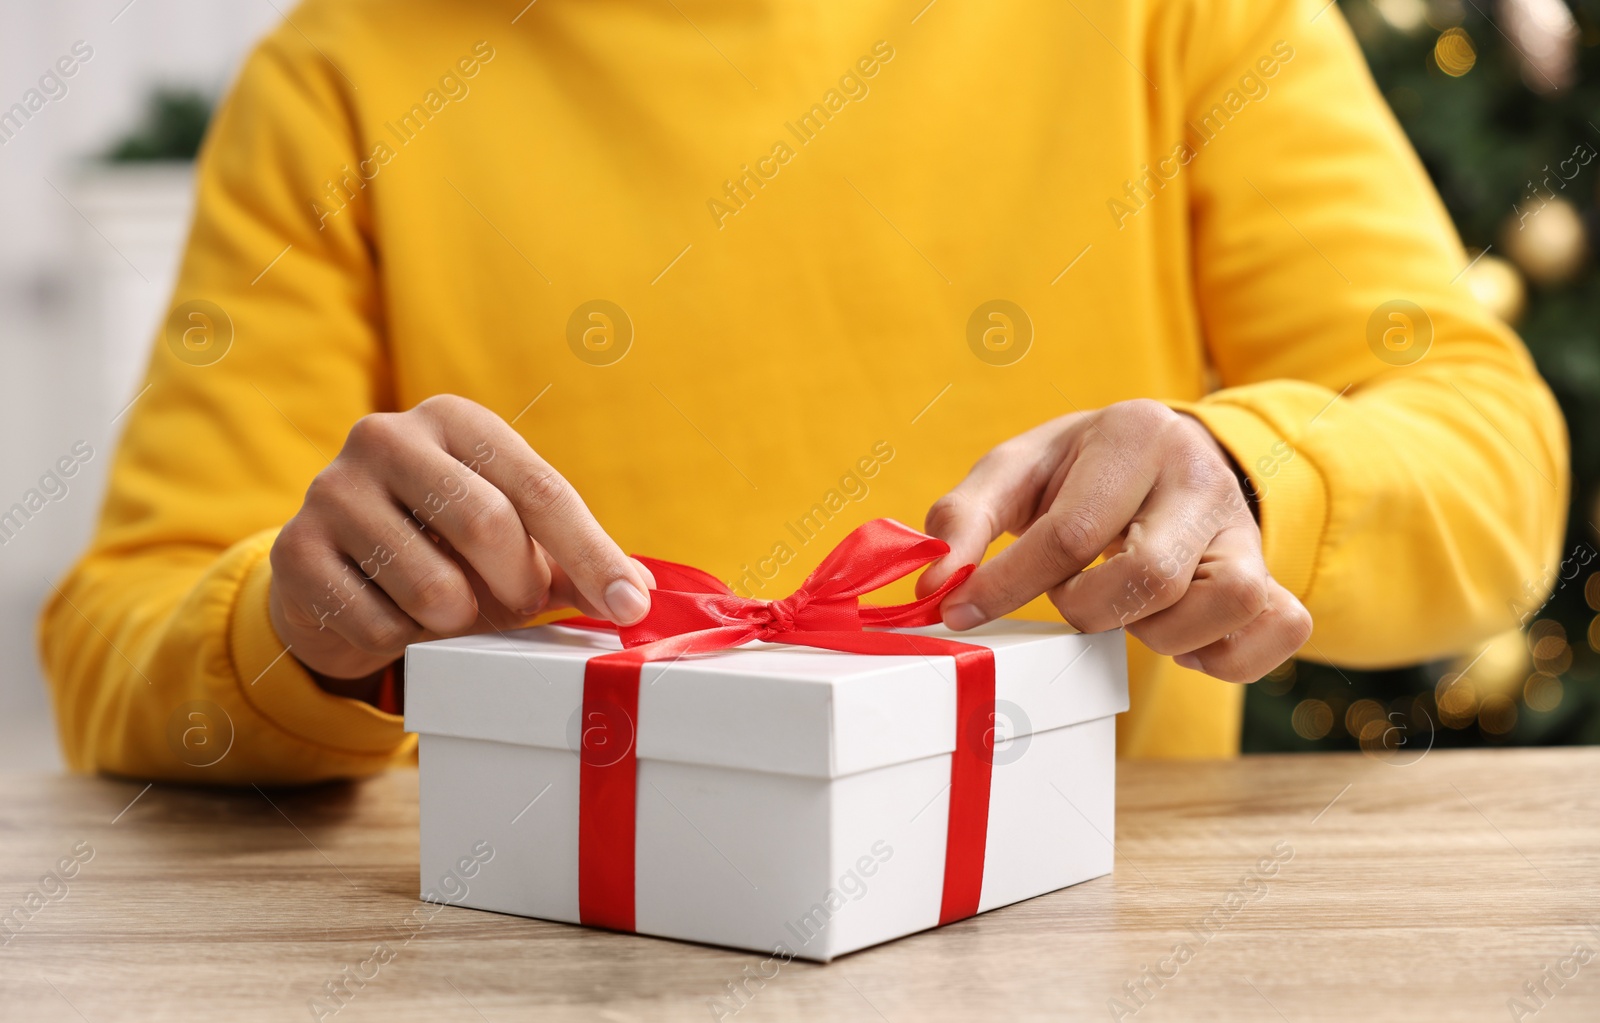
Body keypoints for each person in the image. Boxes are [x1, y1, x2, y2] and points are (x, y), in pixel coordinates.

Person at [40, 0, 1566, 783]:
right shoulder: (339, 80)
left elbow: (1489, 454)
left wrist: (1246, 480)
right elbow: (120, 631)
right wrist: (298, 633)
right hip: (517, 996)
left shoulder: (1177, 16)